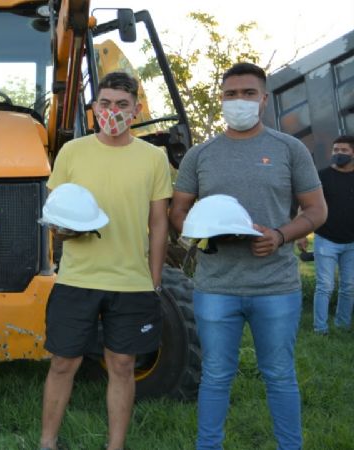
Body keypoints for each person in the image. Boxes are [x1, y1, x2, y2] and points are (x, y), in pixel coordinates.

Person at [169, 62, 327, 450]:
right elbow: (178, 211)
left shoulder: (289, 150)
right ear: (221, 100)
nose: (238, 101)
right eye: (230, 94)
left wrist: (280, 235)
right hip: (215, 287)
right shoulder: (200, 155)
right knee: (216, 375)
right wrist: (201, 234)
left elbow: (317, 210)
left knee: (279, 374)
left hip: (276, 287)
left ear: (264, 99)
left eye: (248, 93)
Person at [39, 71, 172, 450]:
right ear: (94, 107)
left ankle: (115, 446)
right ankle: (47, 443)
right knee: (63, 363)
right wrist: (62, 233)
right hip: (77, 279)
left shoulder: (153, 157)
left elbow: (159, 221)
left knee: (123, 365)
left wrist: (155, 278)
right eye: (105, 103)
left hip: (131, 282)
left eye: (122, 105)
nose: (112, 111)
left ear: (136, 109)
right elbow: (55, 214)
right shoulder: (72, 151)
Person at [299, 135, 354, 334]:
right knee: (325, 286)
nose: (338, 154)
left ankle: (343, 325)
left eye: (344, 150)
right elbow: (306, 204)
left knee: (349, 287)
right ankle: (320, 328)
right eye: (336, 150)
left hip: (351, 242)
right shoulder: (321, 176)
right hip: (325, 240)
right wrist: (302, 233)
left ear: (353, 153)